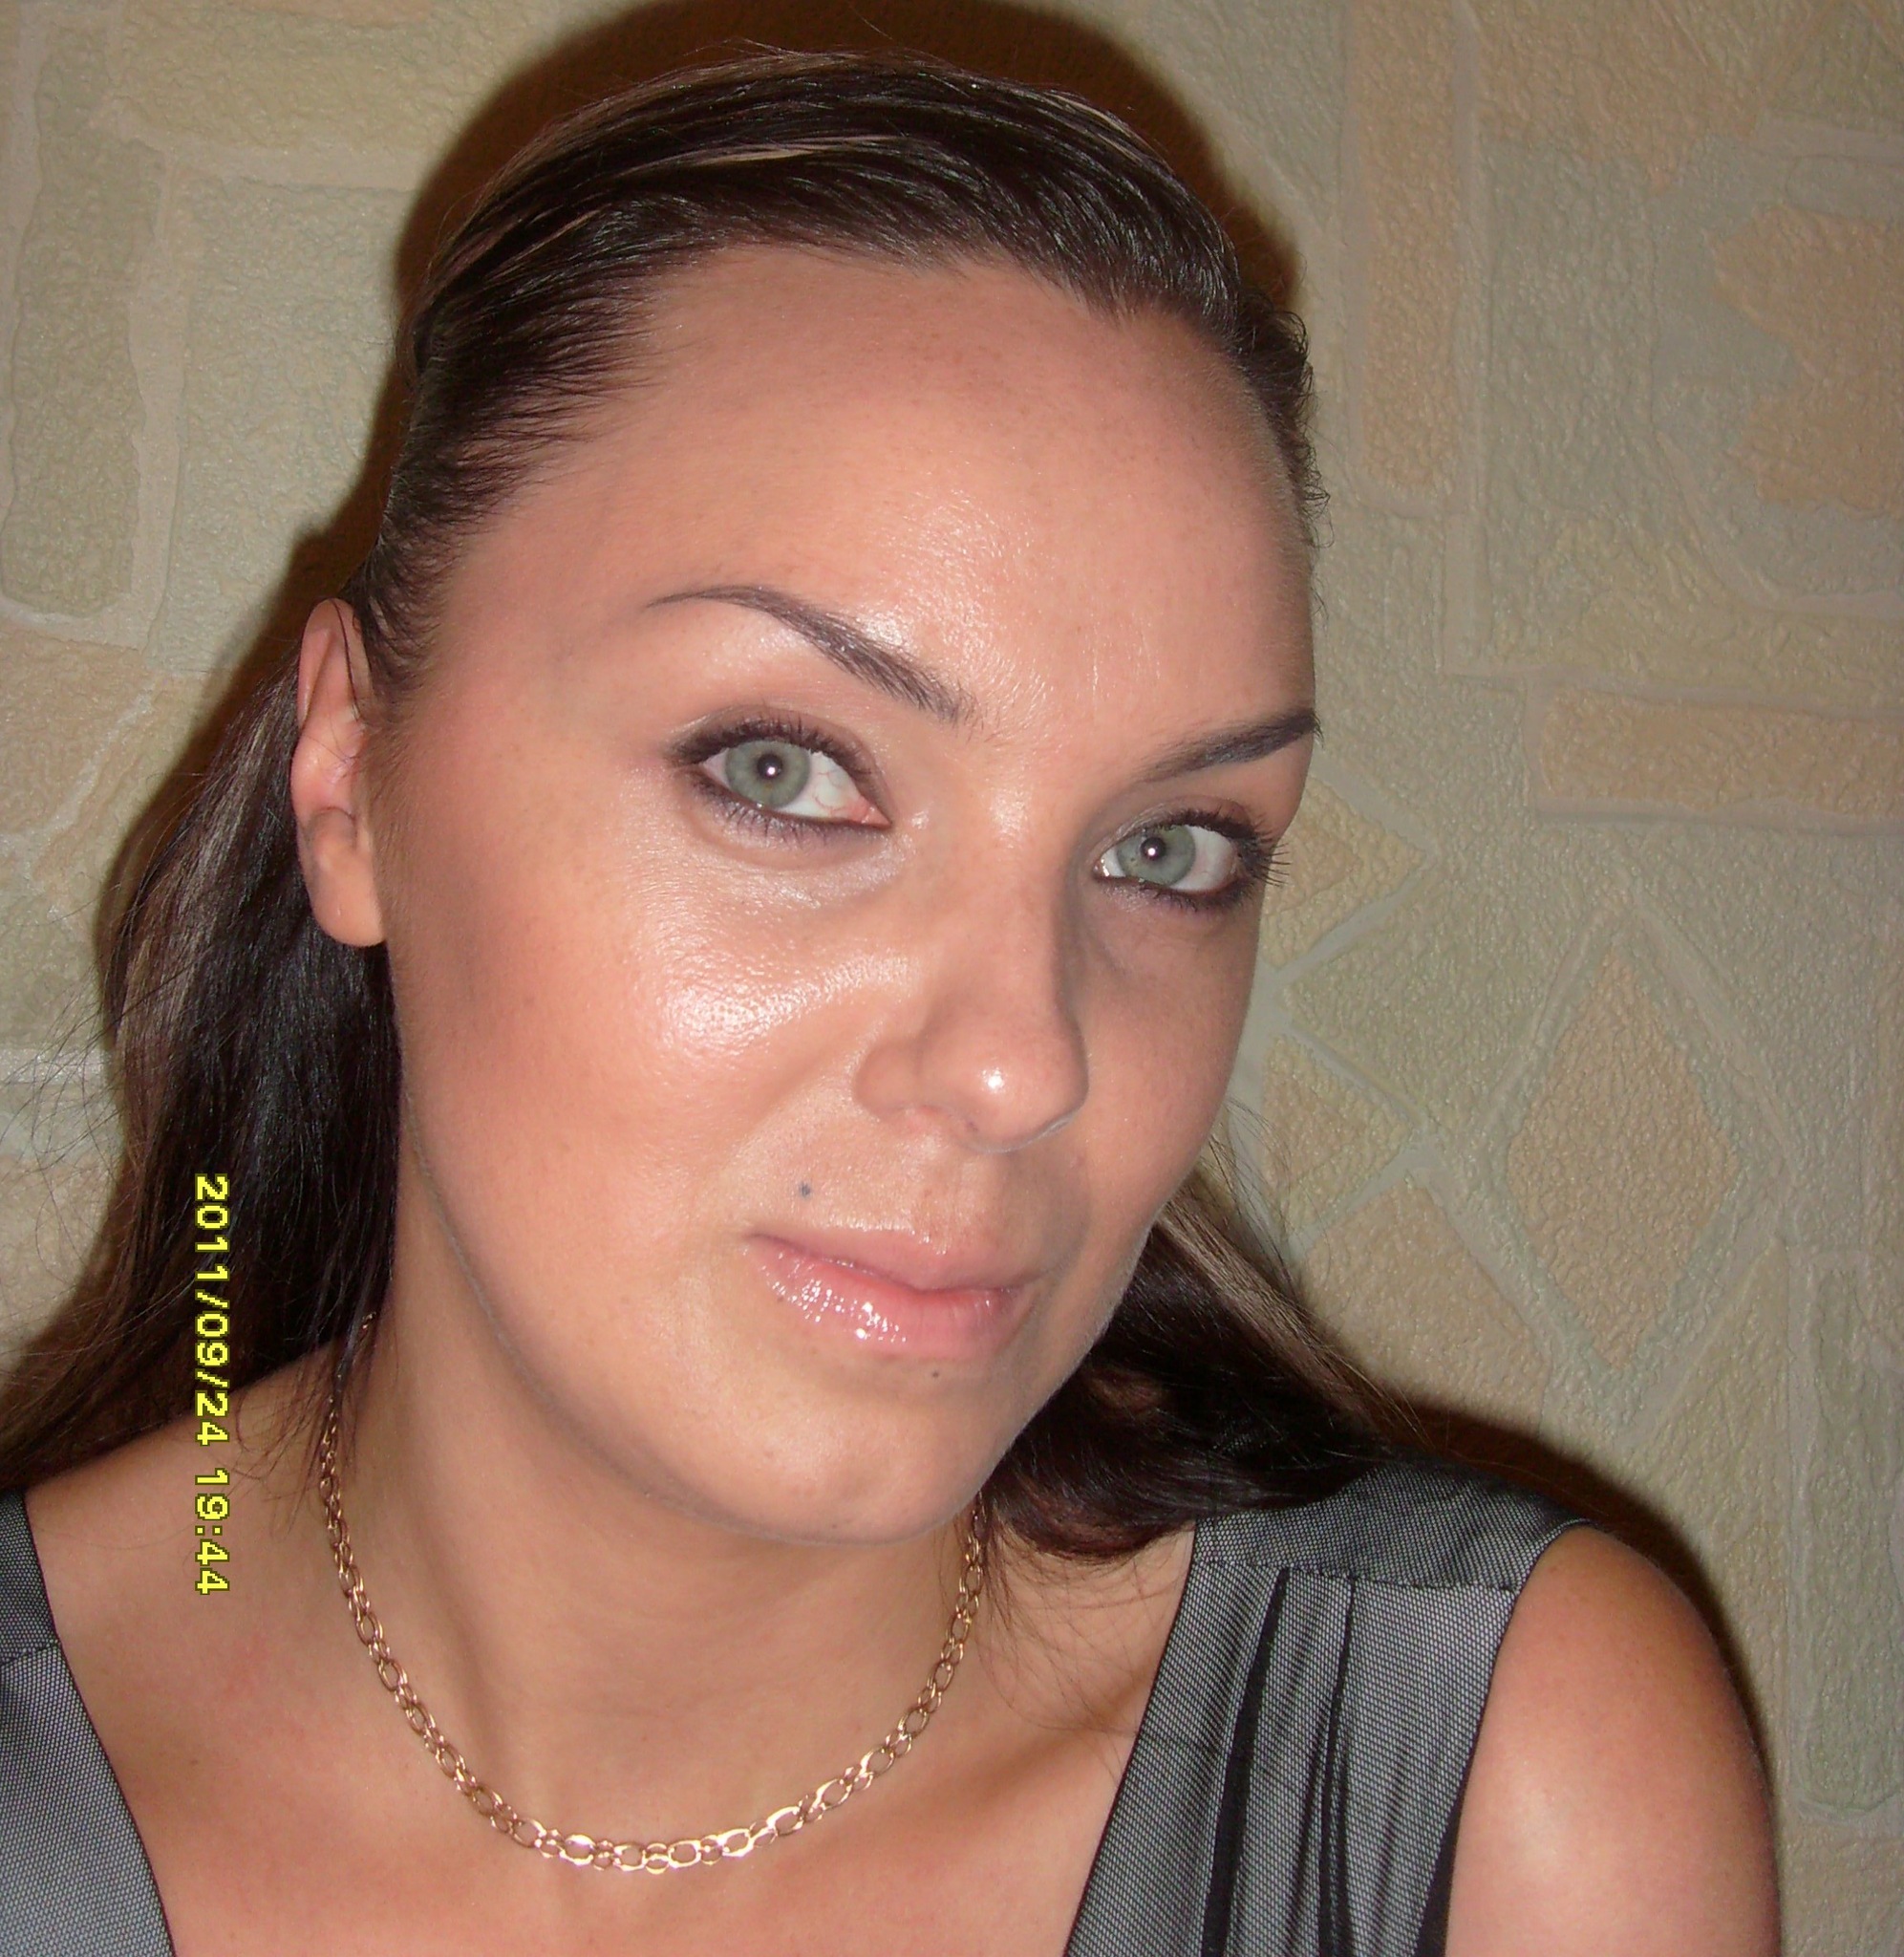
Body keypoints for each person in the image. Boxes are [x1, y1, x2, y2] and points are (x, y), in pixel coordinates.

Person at [0, 50, 1777, 1956]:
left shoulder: (1482, 1786)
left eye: (1167, 848)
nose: (1022, 1062)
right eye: (781, 771)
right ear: (350, 777)